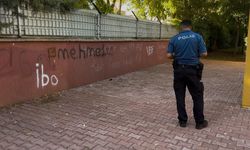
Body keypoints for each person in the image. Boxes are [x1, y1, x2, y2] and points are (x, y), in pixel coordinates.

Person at [167, 20, 208, 129]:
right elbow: (204, 53)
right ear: (190, 26)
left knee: (180, 96)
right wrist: (195, 53)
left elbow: (168, 55)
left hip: (179, 70)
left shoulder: (174, 38)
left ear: (181, 27)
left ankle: (182, 121)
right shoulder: (197, 37)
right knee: (197, 96)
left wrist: (176, 55)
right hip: (193, 71)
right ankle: (199, 123)